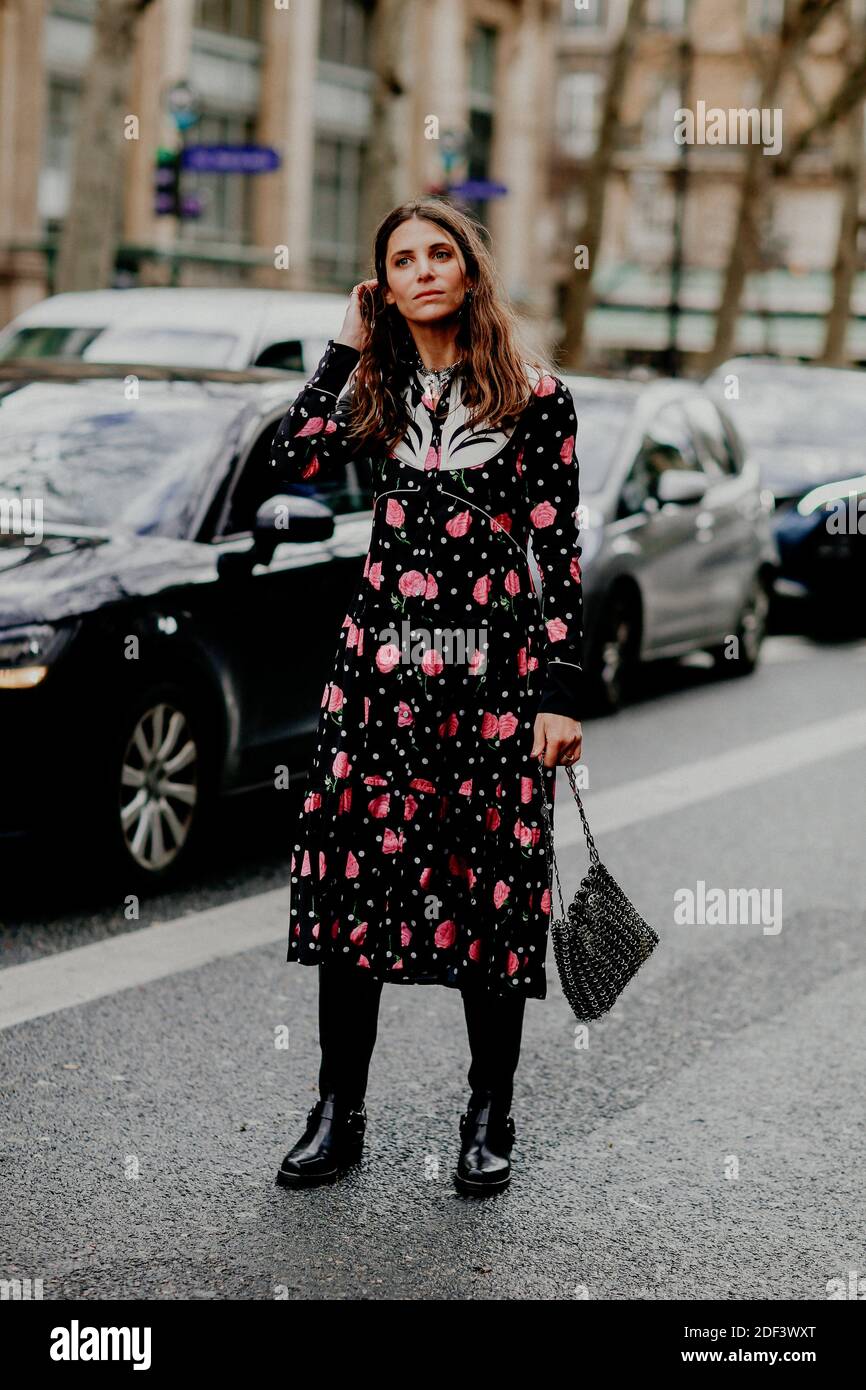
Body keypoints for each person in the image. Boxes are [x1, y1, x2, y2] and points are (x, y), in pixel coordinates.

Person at [273, 198, 585, 1194]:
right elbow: (298, 456)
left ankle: (488, 1114)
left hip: (491, 682)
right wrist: (339, 340)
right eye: (400, 259)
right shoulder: (373, 388)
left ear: (467, 269)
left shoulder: (535, 395)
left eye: (438, 253)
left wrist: (557, 692)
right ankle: (337, 1114)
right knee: (352, 890)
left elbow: (559, 554)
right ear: (383, 283)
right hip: (377, 679)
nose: (421, 270)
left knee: (491, 895)